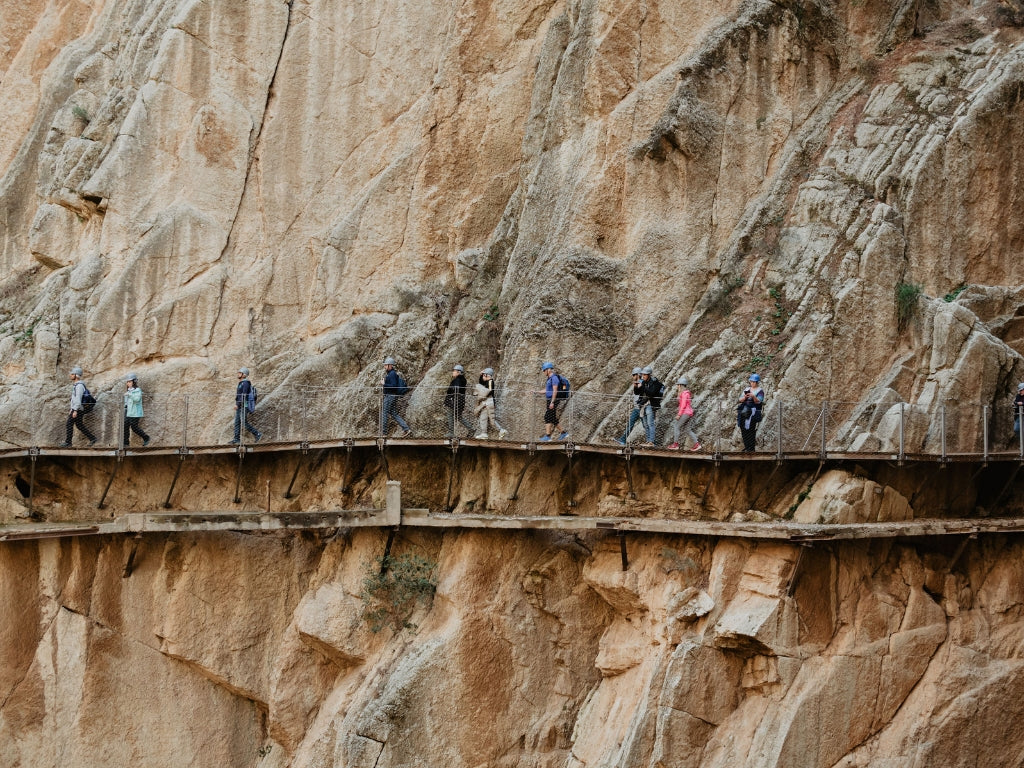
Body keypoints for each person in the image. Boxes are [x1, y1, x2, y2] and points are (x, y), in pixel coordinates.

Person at [60, 366, 97, 447]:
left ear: (76, 375)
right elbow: (74, 399)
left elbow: (78, 398)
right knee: (79, 425)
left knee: (69, 424)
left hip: (78, 409)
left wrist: (75, 410)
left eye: (72, 374)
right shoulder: (76, 385)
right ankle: (92, 438)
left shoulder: (79, 386)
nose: (70, 375)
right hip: (76, 408)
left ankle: (68, 442)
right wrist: (72, 409)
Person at [381, 357, 412, 437]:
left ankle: (384, 433)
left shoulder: (392, 374)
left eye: (385, 365)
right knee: (393, 413)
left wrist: (384, 384)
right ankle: (406, 429)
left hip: (390, 396)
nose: (384, 367)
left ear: (390, 365)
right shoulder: (391, 374)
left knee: (384, 412)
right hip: (392, 396)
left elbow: (394, 386)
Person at [473, 368, 508, 439]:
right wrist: (481, 375)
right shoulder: (488, 381)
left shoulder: (490, 382)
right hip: (487, 402)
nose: (483, 377)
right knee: (484, 418)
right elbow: (481, 382)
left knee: (489, 419)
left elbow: (489, 391)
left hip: (488, 402)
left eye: (484, 376)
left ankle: (500, 430)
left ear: (487, 376)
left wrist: (482, 396)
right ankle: (485, 433)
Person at [668, 376, 700, 451]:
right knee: (687, 429)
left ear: (680, 385)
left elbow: (683, 405)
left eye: (678, 385)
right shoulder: (685, 393)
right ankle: (697, 444)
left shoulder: (684, 394)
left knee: (676, 426)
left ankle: (675, 444)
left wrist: (679, 414)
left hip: (685, 413)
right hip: (689, 413)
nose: (677, 386)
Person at [231, 367, 262, 444]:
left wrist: (237, 404)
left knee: (244, 423)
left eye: (239, 373)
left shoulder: (245, 383)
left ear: (244, 375)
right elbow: (239, 395)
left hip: (244, 406)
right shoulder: (241, 383)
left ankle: (258, 434)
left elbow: (243, 395)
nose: (238, 374)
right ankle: (236, 438)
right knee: (237, 422)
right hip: (240, 405)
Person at [540, 361, 569, 441]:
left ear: (548, 370)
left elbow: (555, 390)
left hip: (553, 400)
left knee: (547, 416)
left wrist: (552, 402)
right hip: (550, 400)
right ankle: (563, 433)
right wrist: (537, 392)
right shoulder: (549, 379)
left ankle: (548, 436)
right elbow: (547, 390)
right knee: (552, 418)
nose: (543, 372)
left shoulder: (554, 378)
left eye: (544, 370)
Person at [615, 368, 644, 445]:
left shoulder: (642, 383)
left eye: (634, 375)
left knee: (646, 425)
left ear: (638, 375)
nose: (633, 376)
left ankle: (652, 442)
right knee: (630, 423)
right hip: (636, 408)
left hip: (642, 408)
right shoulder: (636, 383)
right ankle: (622, 440)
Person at [737, 373, 765, 452]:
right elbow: (740, 400)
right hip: (744, 411)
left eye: (754, 382)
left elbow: (759, 402)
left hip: (753, 413)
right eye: (751, 381)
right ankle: (746, 446)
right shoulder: (746, 389)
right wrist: (745, 397)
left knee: (751, 429)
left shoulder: (760, 391)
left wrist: (753, 396)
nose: (752, 383)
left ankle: (751, 448)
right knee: (743, 428)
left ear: (757, 382)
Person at [444, 364, 474, 437]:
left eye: (454, 371)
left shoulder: (457, 380)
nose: (453, 372)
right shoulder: (463, 380)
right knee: (459, 417)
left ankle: (451, 433)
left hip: (453, 401)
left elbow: (456, 389)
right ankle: (471, 428)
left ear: (458, 372)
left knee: (450, 415)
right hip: (460, 401)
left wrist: (450, 398)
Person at [637, 366, 664, 446]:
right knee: (645, 424)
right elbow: (640, 393)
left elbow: (651, 393)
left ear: (649, 375)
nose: (643, 376)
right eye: (642, 375)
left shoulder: (654, 382)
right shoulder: (644, 382)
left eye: (645, 375)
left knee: (650, 423)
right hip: (644, 404)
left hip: (650, 405)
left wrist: (642, 387)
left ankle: (651, 441)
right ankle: (648, 441)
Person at [123, 372, 150, 447]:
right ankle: (125, 443)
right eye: (127, 382)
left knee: (134, 427)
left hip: (135, 412)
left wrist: (129, 394)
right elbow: (127, 402)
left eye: (130, 381)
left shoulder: (137, 390)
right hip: (127, 411)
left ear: (134, 382)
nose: (128, 383)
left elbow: (137, 399)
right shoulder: (128, 391)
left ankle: (146, 437)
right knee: (125, 426)